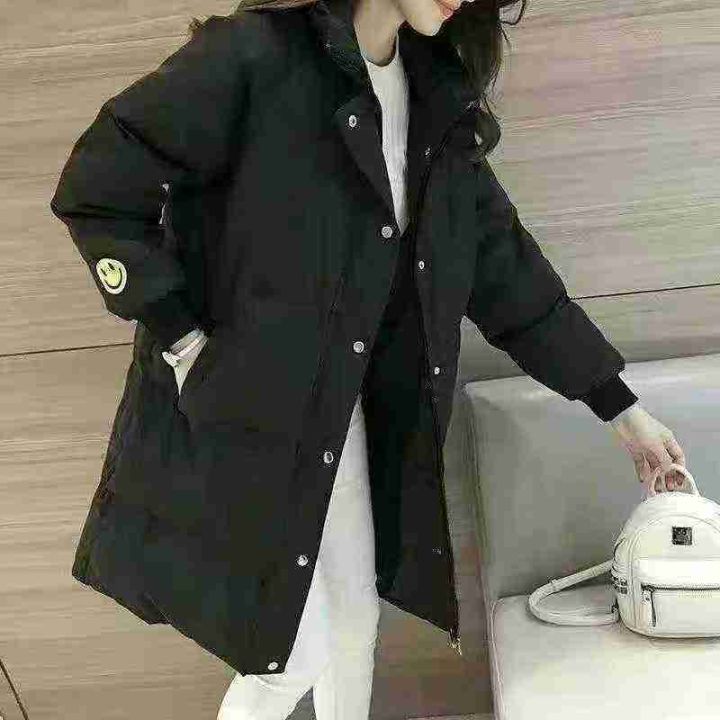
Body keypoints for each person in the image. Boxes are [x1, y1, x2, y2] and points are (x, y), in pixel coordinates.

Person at [49, 0, 688, 718]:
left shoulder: (431, 96)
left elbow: (508, 274)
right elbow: (97, 187)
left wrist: (621, 410)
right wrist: (183, 339)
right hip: (238, 416)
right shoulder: (255, 56)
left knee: (355, 626)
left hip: (344, 415)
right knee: (290, 655)